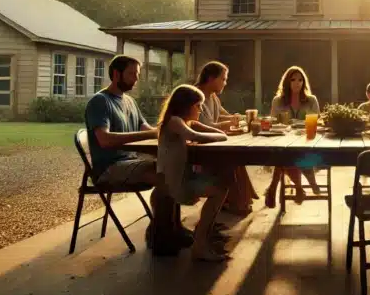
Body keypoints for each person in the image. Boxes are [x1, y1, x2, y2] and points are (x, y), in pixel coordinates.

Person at [84, 55, 191, 248]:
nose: (136, 79)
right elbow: (105, 140)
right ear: (116, 74)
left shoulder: (129, 101)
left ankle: (171, 228)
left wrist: (173, 132)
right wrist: (148, 135)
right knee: (164, 176)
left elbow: (146, 129)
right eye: (132, 74)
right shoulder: (99, 102)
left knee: (174, 167)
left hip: (130, 160)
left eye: (137, 74)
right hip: (109, 167)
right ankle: (160, 234)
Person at [155, 84, 233, 262]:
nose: (200, 109)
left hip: (180, 178)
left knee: (223, 180)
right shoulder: (174, 121)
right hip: (174, 184)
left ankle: (203, 236)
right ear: (186, 106)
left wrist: (208, 129)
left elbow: (219, 134)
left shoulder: (183, 122)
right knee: (220, 189)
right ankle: (200, 242)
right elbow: (195, 136)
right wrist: (214, 134)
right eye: (198, 105)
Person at [195, 61, 258, 216]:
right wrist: (229, 122)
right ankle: (237, 202)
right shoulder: (196, 96)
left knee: (237, 158)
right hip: (198, 150)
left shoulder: (213, 97)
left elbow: (224, 115)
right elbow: (204, 125)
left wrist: (237, 117)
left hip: (212, 146)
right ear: (211, 78)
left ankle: (239, 200)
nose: (225, 82)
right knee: (231, 158)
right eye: (223, 79)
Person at [265, 66, 321, 207]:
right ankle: (301, 187)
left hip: (307, 140)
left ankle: (273, 188)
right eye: (293, 79)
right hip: (284, 137)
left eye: (300, 80)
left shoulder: (311, 100)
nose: (297, 83)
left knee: (285, 155)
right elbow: (274, 121)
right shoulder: (278, 100)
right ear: (287, 82)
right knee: (284, 152)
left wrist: (300, 124)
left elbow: (316, 120)